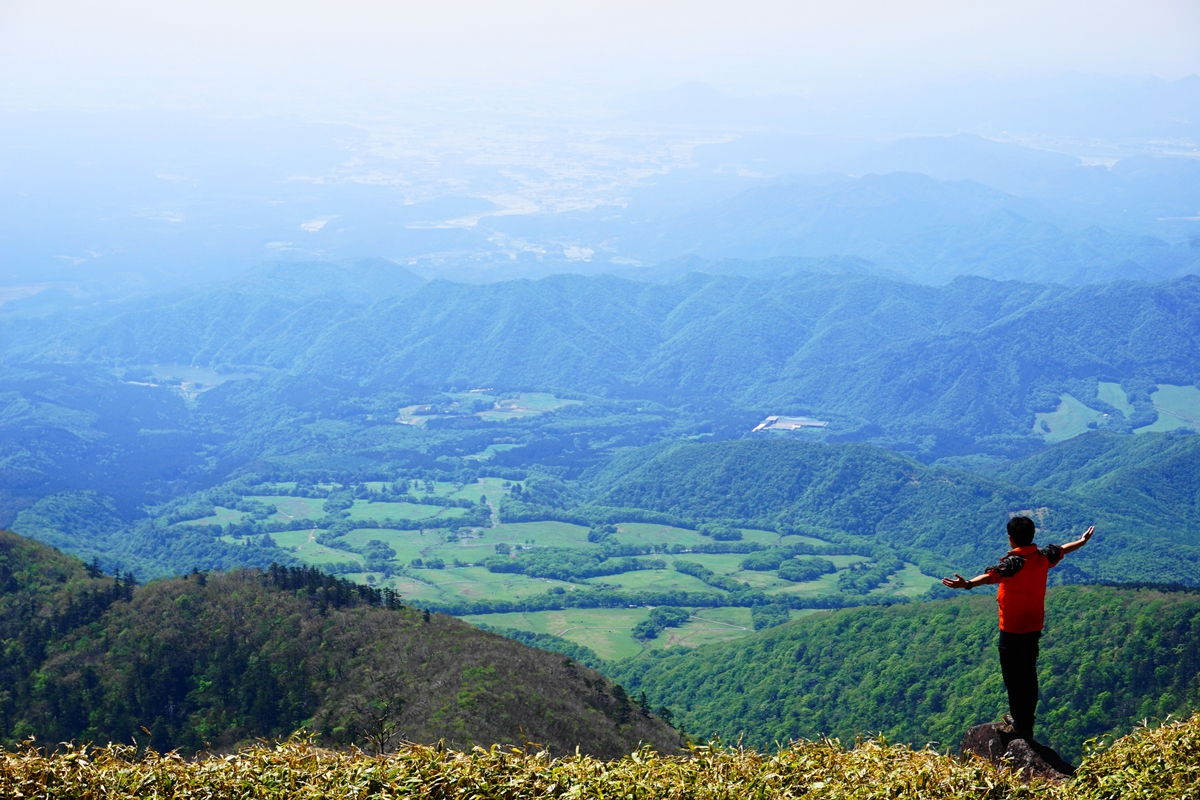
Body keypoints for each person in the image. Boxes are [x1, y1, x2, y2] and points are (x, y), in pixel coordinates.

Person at [941, 516, 1095, 741]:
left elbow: (991, 576)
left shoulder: (1014, 564)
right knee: (1029, 674)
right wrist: (1082, 541)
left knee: (1014, 679)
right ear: (1031, 535)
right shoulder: (1042, 557)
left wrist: (968, 584)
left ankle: (1020, 725)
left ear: (1011, 539)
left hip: (1012, 630)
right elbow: (1063, 549)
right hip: (1033, 627)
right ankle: (1025, 721)